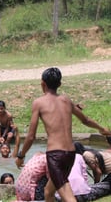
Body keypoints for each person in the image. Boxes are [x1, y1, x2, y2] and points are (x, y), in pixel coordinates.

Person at [15, 67, 111, 202]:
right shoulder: (66, 100)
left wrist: (21, 155)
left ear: (42, 83)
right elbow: (85, 120)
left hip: (55, 155)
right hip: (71, 153)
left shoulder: (39, 103)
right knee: (48, 192)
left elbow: (31, 136)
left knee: (67, 194)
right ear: (59, 84)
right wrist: (102, 129)